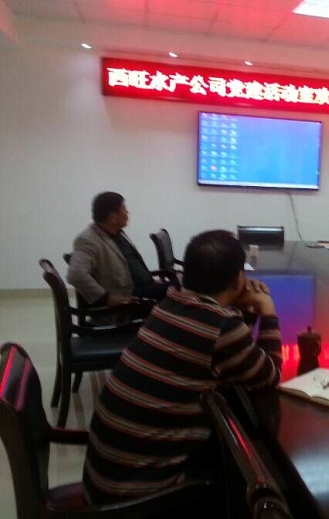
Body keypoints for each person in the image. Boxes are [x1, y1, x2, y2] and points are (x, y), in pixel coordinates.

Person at [83, 229, 283, 505]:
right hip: (138, 498)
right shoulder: (219, 327)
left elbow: (233, 359)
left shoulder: (170, 303)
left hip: (107, 477)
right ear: (239, 279)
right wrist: (268, 312)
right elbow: (268, 375)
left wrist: (244, 309)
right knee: (253, 468)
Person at [67, 192, 168, 308]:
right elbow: (75, 275)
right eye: (124, 209)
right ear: (112, 217)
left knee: (179, 288)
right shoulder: (88, 240)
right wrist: (106, 299)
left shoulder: (117, 232)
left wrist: (150, 280)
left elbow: (131, 265)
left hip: (142, 287)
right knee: (179, 291)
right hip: (129, 299)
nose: (127, 213)